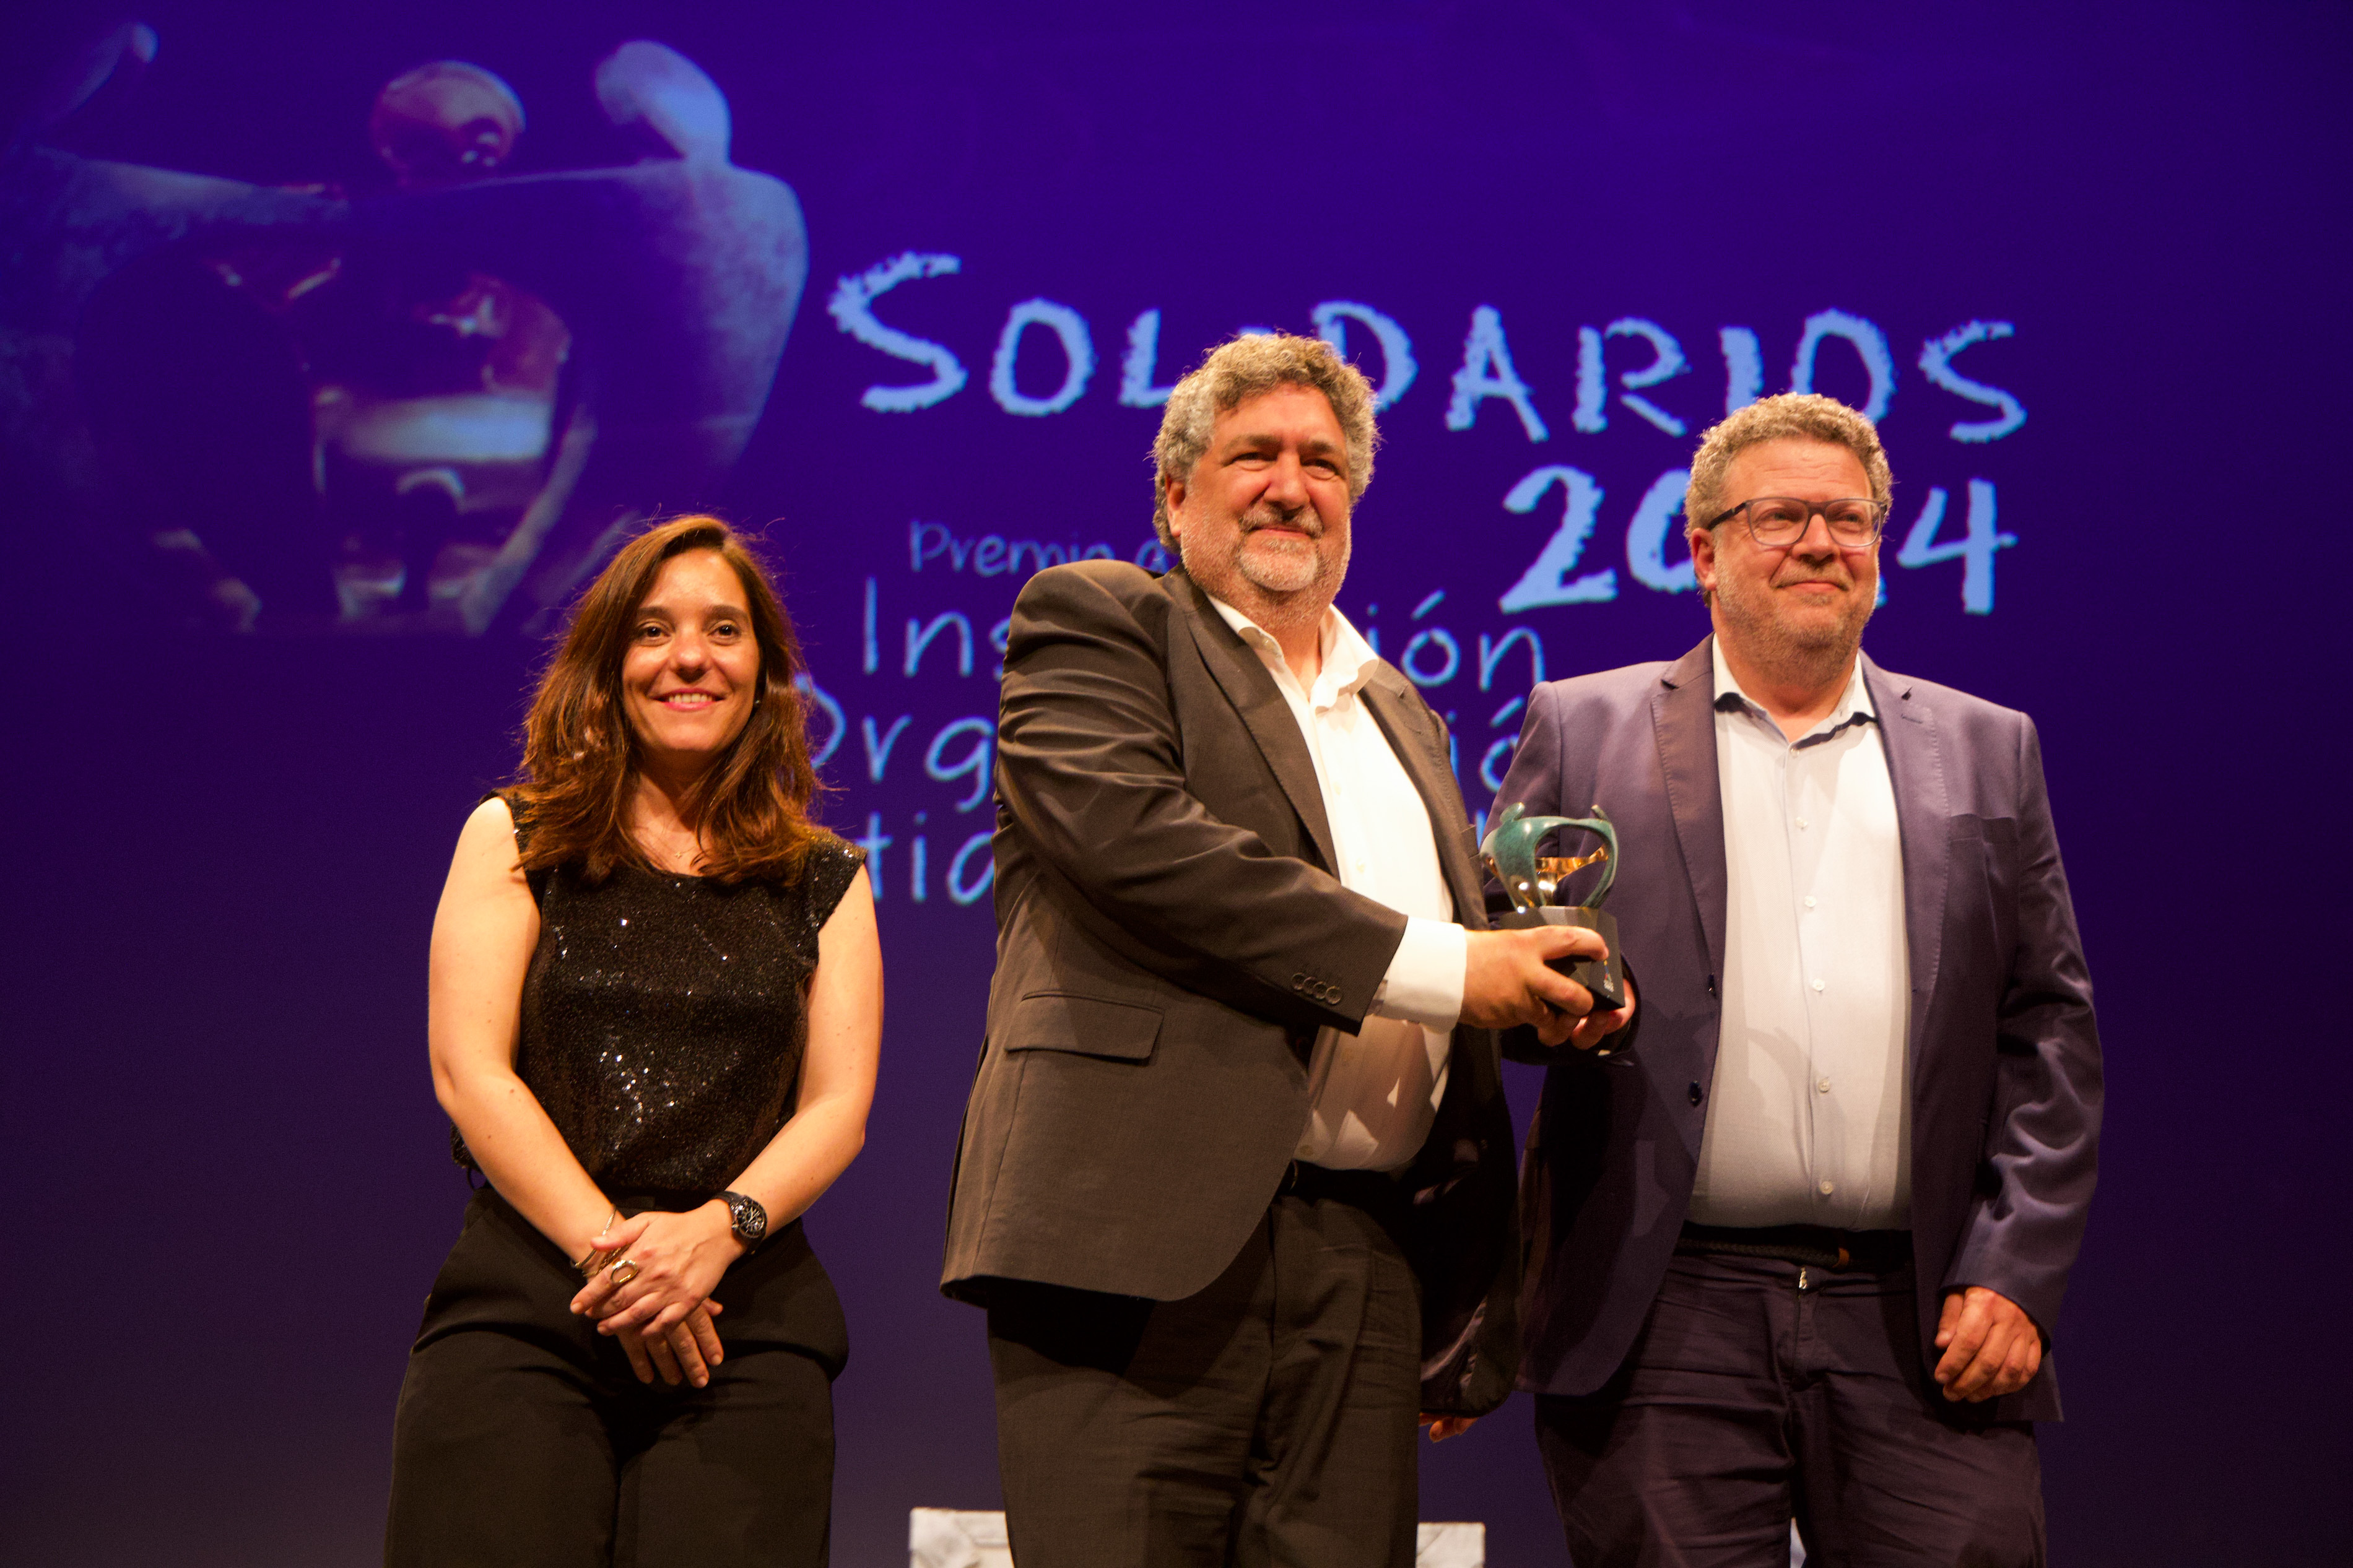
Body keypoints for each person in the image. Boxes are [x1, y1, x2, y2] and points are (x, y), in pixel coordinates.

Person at [940, 333, 1635, 1568]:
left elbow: (1464, 937)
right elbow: (1148, 850)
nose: (1289, 482)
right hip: (1132, 1241)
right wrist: (1449, 971)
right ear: (1176, 494)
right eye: (1251, 453)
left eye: (1322, 461)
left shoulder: (1399, 711)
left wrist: (1549, 984)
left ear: (1353, 499)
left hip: (1364, 1263)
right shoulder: (1103, 621)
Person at [1490, 392, 2103, 1565]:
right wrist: (1553, 1004)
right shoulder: (1583, 727)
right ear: (1704, 550)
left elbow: (2050, 1034)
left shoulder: (1990, 746)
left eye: (1849, 517)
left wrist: (2015, 1270)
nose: (1821, 543)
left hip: (1923, 1311)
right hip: (1665, 1310)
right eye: (1781, 517)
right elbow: (1506, 981)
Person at [384, 514, 881, 1567]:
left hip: (744, 1327)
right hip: (530, 1309)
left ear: (765, 670)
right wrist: (626, 1266)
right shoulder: (517, 837)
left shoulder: (826, 875)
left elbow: (837, 1107)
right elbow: (468, 1072)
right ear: (609, 664)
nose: (690, 656)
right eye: (654, 631)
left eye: (723, 630)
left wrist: (715, 1233)